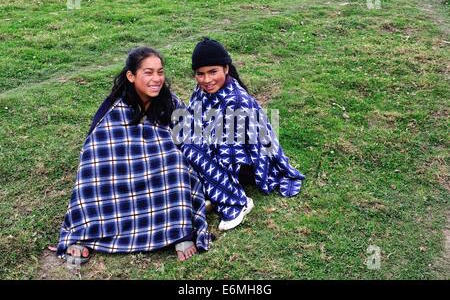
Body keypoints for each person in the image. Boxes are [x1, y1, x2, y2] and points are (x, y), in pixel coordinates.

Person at [55, 46, 213, 264]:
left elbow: (189, 137)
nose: (156, 79)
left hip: (160, 166)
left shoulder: (170, 102)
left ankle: (178, 230)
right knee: (93, 166)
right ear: (131, 76)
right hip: (122, 169)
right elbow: (96, 145)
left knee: (175, 163)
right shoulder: (115, 107)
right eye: (148, 72)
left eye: (160, 72)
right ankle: (86, 232)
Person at [176, 37, 305, 231]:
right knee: (179, 143)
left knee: (192, 149)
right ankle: (208, 191)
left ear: (226, 69)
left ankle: (236, 202)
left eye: (213, 72)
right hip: (220, 149)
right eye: (200, 74)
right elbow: (191, 122)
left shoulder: (235, 100)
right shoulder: (202, 91)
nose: (207, 80)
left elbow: (228, 152)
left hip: (246, 162)